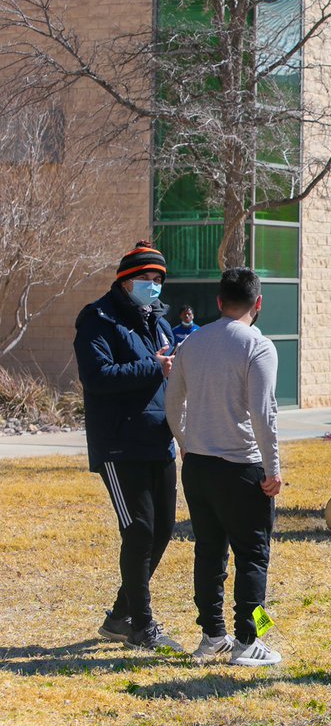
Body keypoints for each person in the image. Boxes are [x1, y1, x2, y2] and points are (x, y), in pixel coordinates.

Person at [165, 267, 283, 666]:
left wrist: (185, 443)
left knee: (209, 552)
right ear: (258, 303)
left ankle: (213, 634)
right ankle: (250, 641)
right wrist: (273, 469)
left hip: (197, 465)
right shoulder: (259, 346)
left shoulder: (191, 343)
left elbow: (171, 404)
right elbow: (263, 413)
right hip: (241, 466)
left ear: (218, 302)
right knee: (253, 555)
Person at [74, 240, 183, 653]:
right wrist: (152, 366)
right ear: (125, 281)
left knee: (163, 531)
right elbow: (97, 376)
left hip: (160, 439)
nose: (153, 286)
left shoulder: (160, 321)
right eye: (145, 279)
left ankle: (120, 616)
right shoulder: (98, 319)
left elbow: (168, 376)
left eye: (158, 279)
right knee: (138, 532)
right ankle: (142, 625)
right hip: (120, 445)